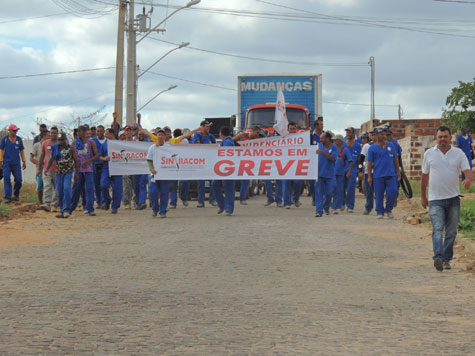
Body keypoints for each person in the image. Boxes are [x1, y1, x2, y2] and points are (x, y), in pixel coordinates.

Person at [421, 126, 471, 271]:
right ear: (436, 138)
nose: (443, 139)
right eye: (440, 137)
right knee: (437, 228)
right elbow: (424, 176)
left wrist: (467, 179)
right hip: (435, 199)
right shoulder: (429, 154)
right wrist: (423, 196)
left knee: (451, 231)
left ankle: (446, 259)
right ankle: (438, 257)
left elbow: (467, 170)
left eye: (445, 137)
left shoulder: (458, 153)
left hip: (454, 198)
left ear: (450, 138)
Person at [367, 127, 400, 219]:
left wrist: (398, 171)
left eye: (385, 134)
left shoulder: (391, 146)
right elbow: (369, 164)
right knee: (379, 194)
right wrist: (369, 176)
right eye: (382, 134)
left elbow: (395, 159)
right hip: (378, 175)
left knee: (393, 191)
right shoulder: (372, 148)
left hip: (391, 174)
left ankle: (388, 209)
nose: (384, 136)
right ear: (376, 135)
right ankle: (380, 212)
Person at [46, 133, 79, 218]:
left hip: (68, 172)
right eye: (59, 140)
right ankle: (62, 210)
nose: (61, 142)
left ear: (65, 140)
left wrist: (77, 173)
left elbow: (75, 160)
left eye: (62, 140)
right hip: (59, 173)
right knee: (59, 191)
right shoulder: (56, 148)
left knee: (67, 189)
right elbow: (51, 159)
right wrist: (47, 169)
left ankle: (66, 210)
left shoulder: (70, 148)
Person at [167, 127, 201, 208]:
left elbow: (188, 151)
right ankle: (173, 203)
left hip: (183, 164)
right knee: (173, 185)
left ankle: (183, 197)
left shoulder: (185, 141)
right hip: (173, 164)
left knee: (185, 182)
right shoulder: (171, 142)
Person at [70, 125, 99, 216]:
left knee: (89, 189)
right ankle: (70, 208)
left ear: (84, 132)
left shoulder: (90, 142)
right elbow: (71, 155)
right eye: (78, 131)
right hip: (78, 170)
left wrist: (88, 160)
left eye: (80, 131)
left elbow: (96, 155)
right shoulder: (74, 143)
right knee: (76, 189)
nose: (78, 133)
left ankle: (90, 209)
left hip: (88, 169)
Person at [192, 120, 217, 208]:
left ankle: (212, 199)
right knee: (201, 183)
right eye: (206, 126)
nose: (208, 128)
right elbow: (196, 146)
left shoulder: (211, 137)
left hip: (210, 162)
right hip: (201, 162)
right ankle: (201, 201)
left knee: (213, 182)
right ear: (201, 127)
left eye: (209, 126)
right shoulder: (197, 135)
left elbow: (216, 147)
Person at [212, 126, 236, 216]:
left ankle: (228, 208)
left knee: (228, 187)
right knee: (215, 185)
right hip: (222, 168)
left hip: (227, 168)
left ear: (221, 134)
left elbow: (226, 154)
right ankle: (223, 205)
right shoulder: (226, 142)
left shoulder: (228, 142)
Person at [0, 124, 27, 203]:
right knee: (7, 179)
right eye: (14, 130)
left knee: (18, 180)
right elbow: (1, 150)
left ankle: (16, 194)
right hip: (6, 163)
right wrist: (0, 161)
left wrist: (24, 161)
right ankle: (7, 197)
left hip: (16, 163)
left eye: (16, 130)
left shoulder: (19, 140)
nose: (16, 132)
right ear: (10, 131)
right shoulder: (4, 139)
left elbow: (21, 151)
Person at [99, 128, 123, 213]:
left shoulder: (119, 143)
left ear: (112, 134)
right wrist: (104, 158)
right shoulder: (104, 144)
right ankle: (107, 200)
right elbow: (100, 156)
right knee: (103, 185)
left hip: (117, 168)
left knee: (117, 188)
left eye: (107, 134)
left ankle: (115, 207)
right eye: (105, 134)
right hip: (106, 168)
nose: (105, 135)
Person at [147, 129, 169, 218]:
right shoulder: (152, 148)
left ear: (165, 137)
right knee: (153, 192)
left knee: (164, 193)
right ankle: (155, 209)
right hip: (155, 175)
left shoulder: (168, 147)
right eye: (158, 135)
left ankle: (163, 211)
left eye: (162, 135)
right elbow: (149, 160)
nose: (160, 137)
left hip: (165, 175)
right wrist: (151, 169)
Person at [315, 131, 337, 217]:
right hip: (319, 174)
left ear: (328, 138)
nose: (320, 140)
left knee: (329, 193)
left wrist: (323, 152)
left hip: (330, 174)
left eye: (322, 138)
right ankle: (319, 211)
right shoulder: (318, 145)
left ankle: (326, 207)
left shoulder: (334, 147)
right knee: (319, 193)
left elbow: (333, 158)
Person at [37, 126, 59, 211]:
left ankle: (54, 205)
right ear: (50, 133)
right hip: (47, 169)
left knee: (57, 188)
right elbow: (41, 156)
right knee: (47, 186)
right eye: (51, 133)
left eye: (54, 133)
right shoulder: (45, 143)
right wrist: (39, 169)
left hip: (58, 170)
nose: (53, 134)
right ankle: (47, 203)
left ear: (57, 134)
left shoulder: (60, 143)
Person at [283, 122, 303, 209]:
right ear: (288, 130)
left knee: (297, 183)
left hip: (297, 165)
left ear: (296, 129)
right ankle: (287, 203)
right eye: (290, 129)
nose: (292, 130)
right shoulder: (283, 139)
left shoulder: (300, 139)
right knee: (286, 183)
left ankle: (295, 199)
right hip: (285, 165)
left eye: (293, 129)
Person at [332, 134, 353, 214]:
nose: (333, 141)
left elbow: (351, 162)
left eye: (335, 140)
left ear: (340, 141)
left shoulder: (345, 150)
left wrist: (349, 172)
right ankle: (329, 205)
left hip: (340, 174)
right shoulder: (332, 148)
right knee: (331, 190)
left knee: (338, 191)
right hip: (331, 173)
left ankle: (335, 207)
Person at [344, 127, 362, 213]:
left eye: (350, 133)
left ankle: (350, 206)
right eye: (347, 133)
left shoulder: (358, 146)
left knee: (351, 188)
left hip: (353, 170)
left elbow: (359, 159)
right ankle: (342, 203)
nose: (348, 134)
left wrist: (359, 171)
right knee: (341, 188)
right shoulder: (343, 144)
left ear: (354, 134)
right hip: (342, 169)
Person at [30, 130, 49, 205]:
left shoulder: (50, 145)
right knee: (40, 186)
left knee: (48, 186)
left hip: (48, 168)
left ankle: (48, 202)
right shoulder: (37, 145)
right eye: (48, 135)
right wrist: (39, 163)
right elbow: (31, 158)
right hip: (40, 169)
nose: (50, 136)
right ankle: (41, 202)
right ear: (44, 136)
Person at [358, 131, 374, 215]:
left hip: (379, 172)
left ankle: (381, 209)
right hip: (368, 172)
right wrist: (360, 171)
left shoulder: (382, 145)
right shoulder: (366, 146)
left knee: (379, 191)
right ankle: (368, 207)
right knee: (369, 191)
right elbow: (361, 159)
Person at [309, 118, 323, 206]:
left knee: (322, 181)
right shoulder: (310, 136)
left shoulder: (325, 135)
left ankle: (321, 199)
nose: (323, 126)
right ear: (316, 126)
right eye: (321, 124)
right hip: (312, 163)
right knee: (312, 183)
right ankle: (314, 198)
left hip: (322, 162)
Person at [92, 125, 106, 209]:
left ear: (104, 131)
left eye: (101, 131)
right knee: (96, 185)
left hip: (104, 165)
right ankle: (99, 202)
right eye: (98, 131)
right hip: (95, 165)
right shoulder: (92, 141)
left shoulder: (107, 141)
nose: (99, 133)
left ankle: (104, 202)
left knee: (103, 184)